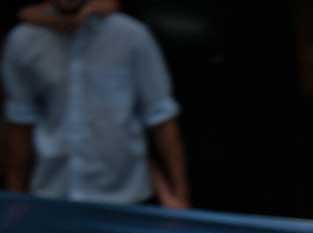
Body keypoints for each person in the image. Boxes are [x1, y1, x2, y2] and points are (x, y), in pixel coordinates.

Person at [2, 0, 188, 206]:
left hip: (125, 198)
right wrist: (15, 197)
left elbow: (161, 117)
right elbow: (20, 123)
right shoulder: (23, 40)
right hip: (52, 195)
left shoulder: (131, 36)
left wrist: (179, 195)